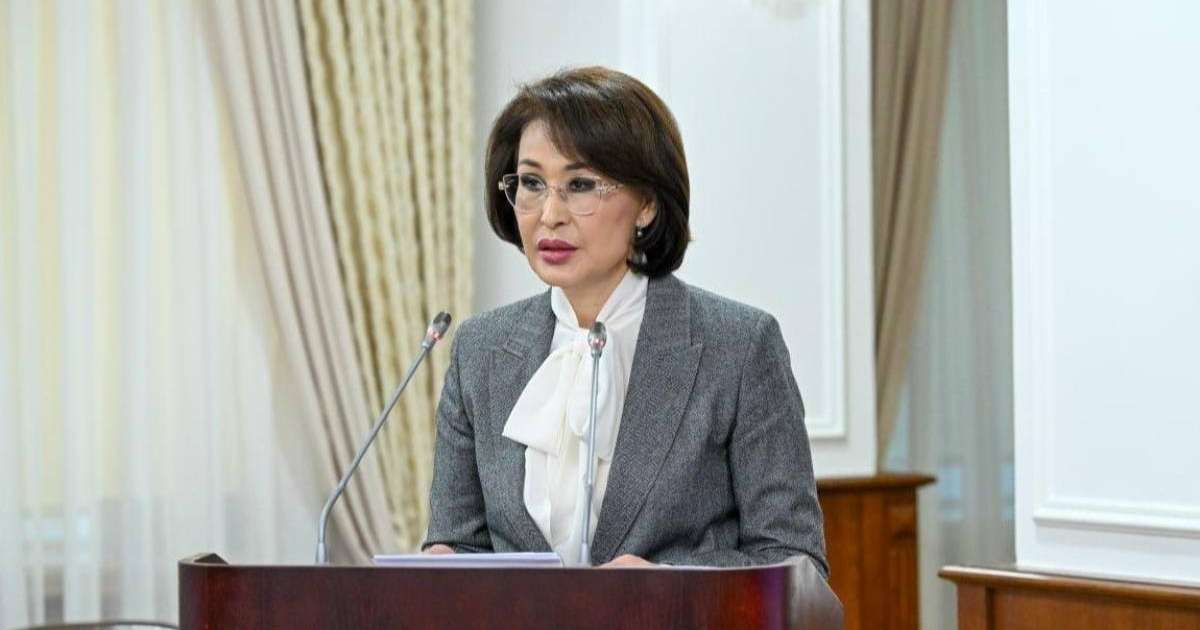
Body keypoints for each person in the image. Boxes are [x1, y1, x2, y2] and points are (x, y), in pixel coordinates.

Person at [422, 66, 827, 572]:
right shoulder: (479, 350)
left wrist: (668, 586)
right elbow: (458, 545)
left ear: (647, 205)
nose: (550, 214)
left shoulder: (740, 346)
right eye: (531, 183)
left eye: (580, 184)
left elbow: (794, 563)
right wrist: (442, 567)